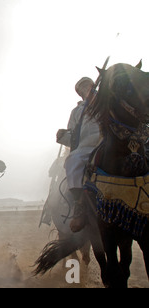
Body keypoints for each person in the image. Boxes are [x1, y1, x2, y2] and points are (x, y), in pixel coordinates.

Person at [56, 77, 101, 232]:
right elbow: (73, 138)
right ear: (79, 93)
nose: (85, 89)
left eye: (87, 86)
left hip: (107, 144)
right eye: (81, 89)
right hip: (84, 149)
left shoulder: (106, 102)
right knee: (71, 161)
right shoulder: (76, 112)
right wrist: (62, 137)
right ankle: (79, 203)